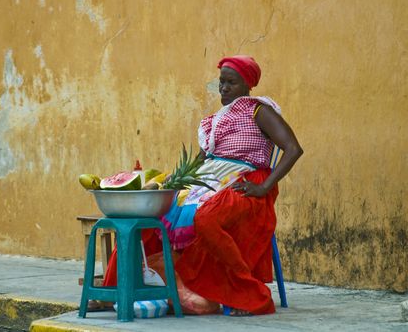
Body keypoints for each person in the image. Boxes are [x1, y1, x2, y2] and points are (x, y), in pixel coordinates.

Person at [103, 55, 303, 316]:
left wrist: (264, 187)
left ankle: (247, 292)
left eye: (231, 82)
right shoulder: (214, 121)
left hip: (246, 181)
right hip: (207, 181)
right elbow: (199, 162)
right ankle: (114, 290)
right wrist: (167, 184)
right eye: (221, 82)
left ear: (247, 85)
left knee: (207, 220)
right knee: (145, 213)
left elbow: (293, 149)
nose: (224, 88)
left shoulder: (259, 111)